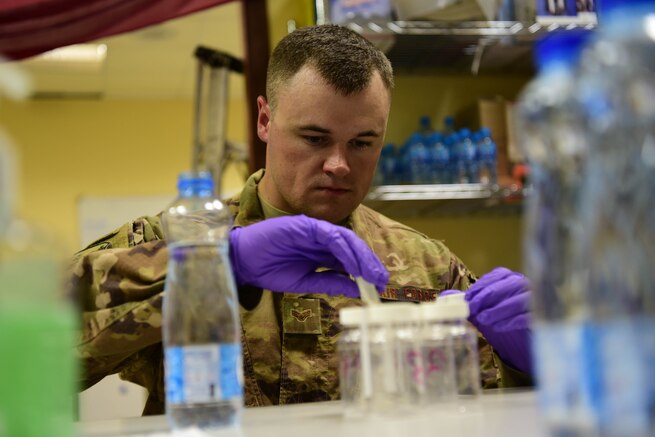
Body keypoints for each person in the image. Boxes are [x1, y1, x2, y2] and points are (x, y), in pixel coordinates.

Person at [69, 24, 532, 415]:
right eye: (314, 138)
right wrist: (216, 266)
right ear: (265, 120)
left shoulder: (426, 264)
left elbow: (483, 410)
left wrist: (531, 364)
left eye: (363, 143)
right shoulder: (172, 241)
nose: (339, 165)